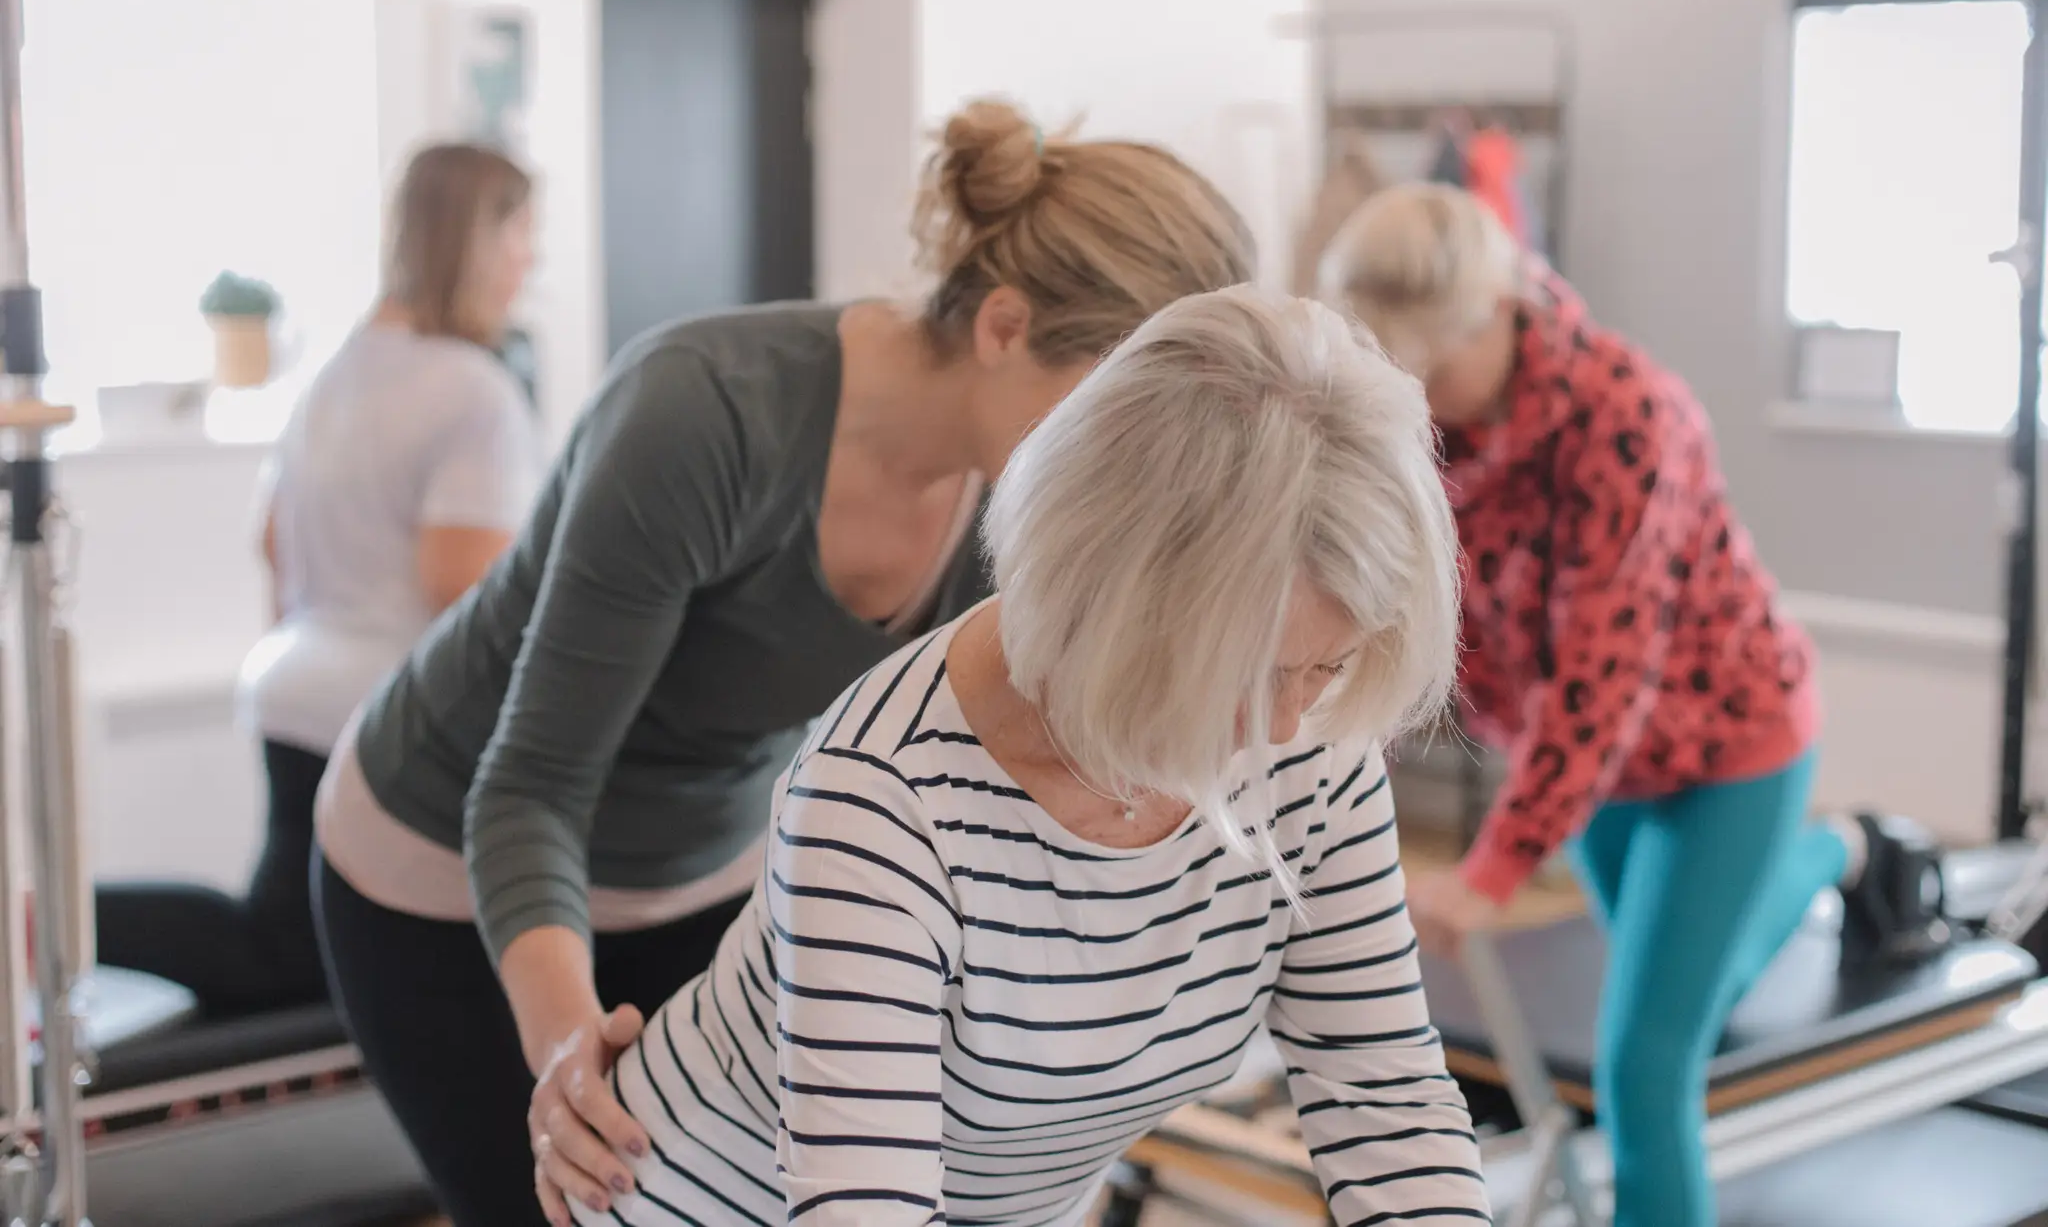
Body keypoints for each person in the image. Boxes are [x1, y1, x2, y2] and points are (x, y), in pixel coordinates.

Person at [310, 100, 1260, 1227]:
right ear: (1004, 325)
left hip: (702, 866)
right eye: (1123, 415)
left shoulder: (1020, 500)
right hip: (446, 866)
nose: (1137, 469)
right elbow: (525, 791)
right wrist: (566, 1044)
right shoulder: (703, 412)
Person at [534, 285, 1491, 1227]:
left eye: (1326, 666)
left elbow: (1386, 1105)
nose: (1287, 729)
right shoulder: (881, 801)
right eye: (1250, 679)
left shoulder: (1317, 742)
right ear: (1114, 610)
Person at [1321, 181, 1943, 1227]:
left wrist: (1493, 867)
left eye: (1426, 363)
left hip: (1728, 746)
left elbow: (1599, 685)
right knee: (1698, 990)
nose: (1414, 392)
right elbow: (1406, 614)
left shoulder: (1624, 416)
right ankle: (1843, 851)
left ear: (1494, 313)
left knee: (1644, 1067)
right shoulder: (1435, 418)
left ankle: (1829, 848)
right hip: (1596, 770)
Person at [94, 143, 541, 1017]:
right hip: (388, 718)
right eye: (524, 235)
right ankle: (57, 922)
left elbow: (271, 542)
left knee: (287, 943)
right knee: (288, 957)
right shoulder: (472, 389)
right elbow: (461, 583)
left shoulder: (337, 372)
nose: (532, 262)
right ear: (478, 241)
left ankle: (60, 921)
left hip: (298, 684)